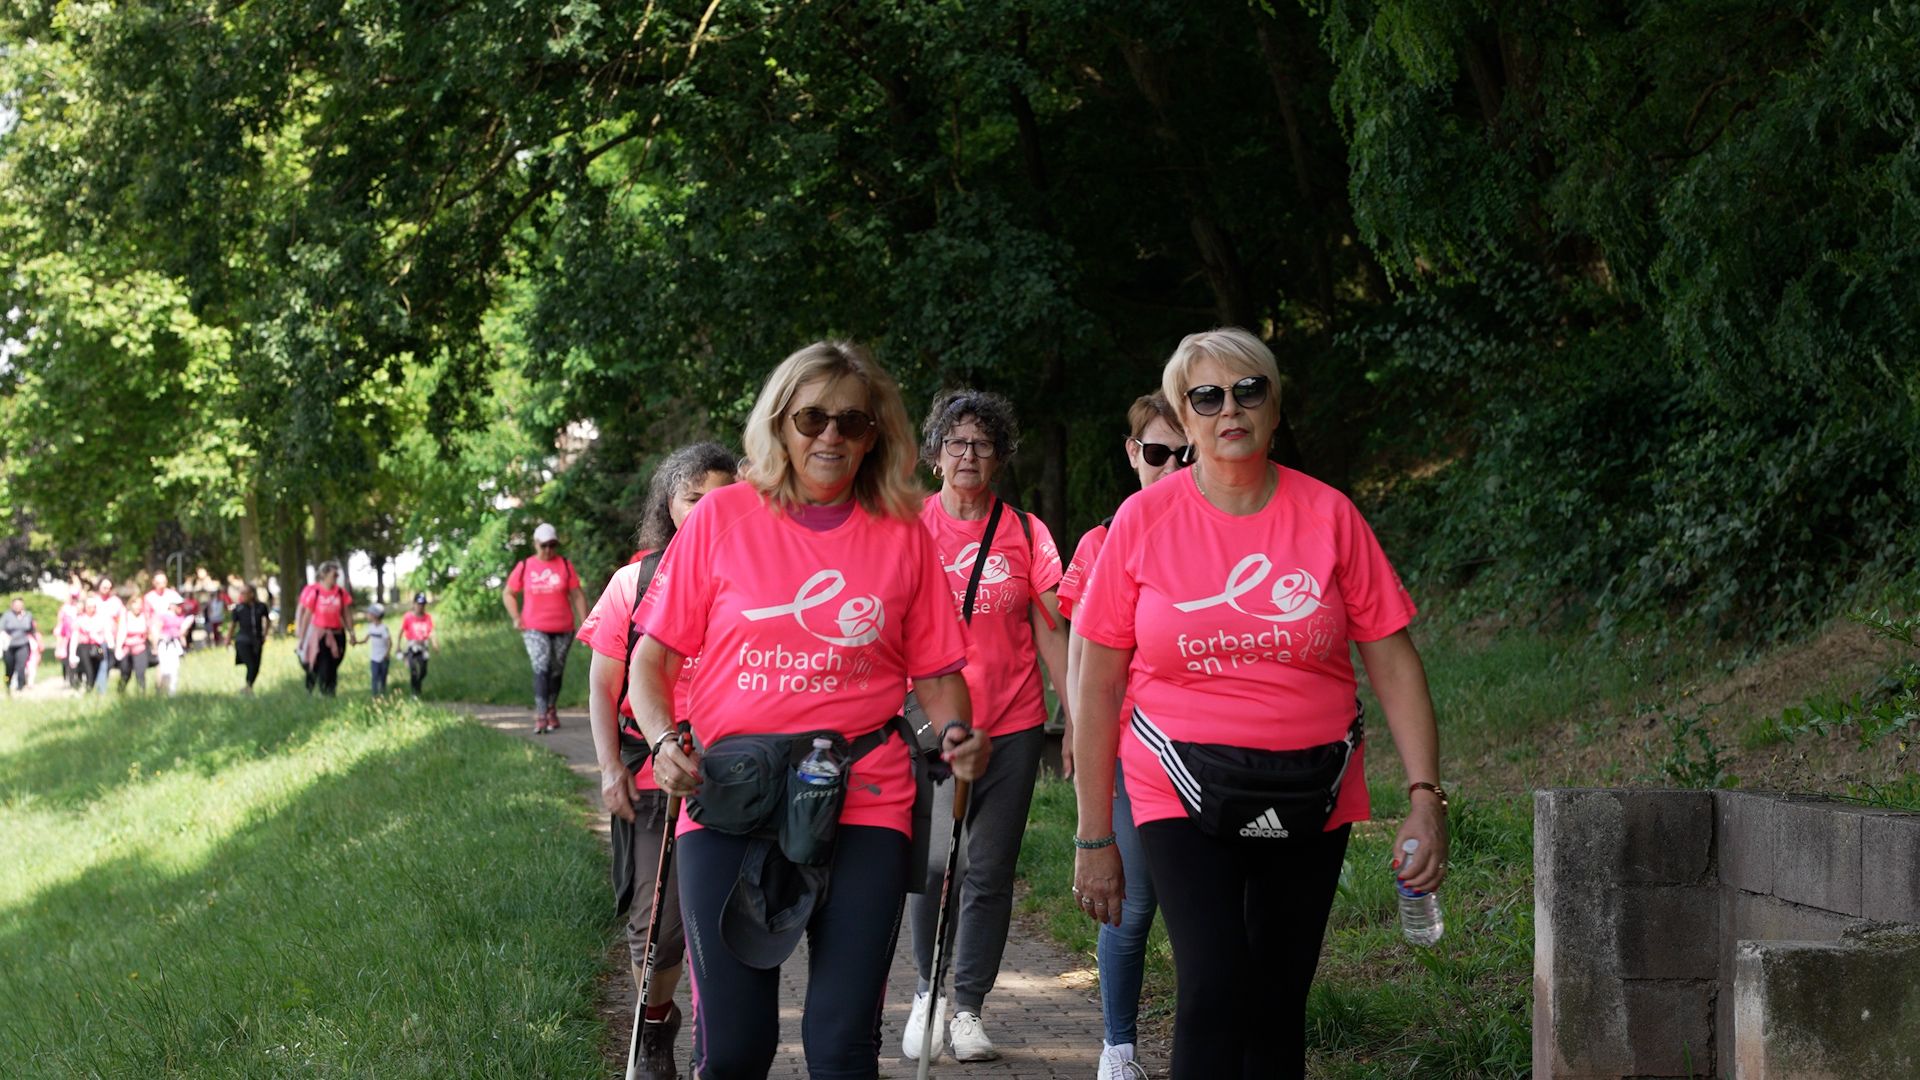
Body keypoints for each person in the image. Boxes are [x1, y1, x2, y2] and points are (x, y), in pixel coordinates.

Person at [1069, 328, 1447, 1080]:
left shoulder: (1330, 514)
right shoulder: (1142, 522)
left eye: (1249, 391)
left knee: (1278, 996)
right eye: (1207, 397)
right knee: (1213, 985)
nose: (1230, 410)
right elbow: (1099, 682)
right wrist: (1093, 835)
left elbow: (1394, 662)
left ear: (1276, 406)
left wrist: (1424, 795)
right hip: (1176, 779)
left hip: (1313, 783)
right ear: (1184, 415)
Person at [628, 340, 990, 1080]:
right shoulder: (721, 518)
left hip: (866, 794)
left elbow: (938, 674)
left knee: (841, 1048)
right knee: (735, 1050)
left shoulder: (903, 532)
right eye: (812, 418)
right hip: (729, 793)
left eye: (852, 421)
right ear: (779, 424)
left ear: (875, 434)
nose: (831, 435)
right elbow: (651, 661)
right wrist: (663, 739)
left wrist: (957, 732)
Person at [903, 390, 1071, 1064]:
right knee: (936, 862)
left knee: (990, 869)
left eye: (982, 443)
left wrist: (1076, 716)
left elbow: (1053, 631)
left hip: (1013, 722)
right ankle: (927, 992)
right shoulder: (909, 527)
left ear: (999, 456)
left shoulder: (1026, 533)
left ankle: (968, 1007)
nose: (968, 454)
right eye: (956, 442)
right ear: (936, 454)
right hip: (931, 724)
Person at [582, 440, 737, 1080]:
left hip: (739, 774)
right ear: (667, 505)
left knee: (730, 923)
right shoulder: (634, 582)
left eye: (720, 497)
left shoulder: (756, 575)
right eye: (691, 497)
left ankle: (721, 1046)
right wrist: (609, 767)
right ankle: (653, 1029)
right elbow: (602, 685)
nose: (706, 510)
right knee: (659, 929)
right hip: (653, 776)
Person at [1058, 390, 1187, 1080]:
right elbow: (1081, 654)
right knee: (1131, 907)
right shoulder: (1101, 541)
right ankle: (1119, 1049)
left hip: (1201, 752)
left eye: (1185, 454)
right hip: (1129, 752)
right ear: (1134, 452)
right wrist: (1083, 737)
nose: (1172, 467)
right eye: (1159, 452)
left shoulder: (1212, 532)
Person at [503, 523, 586, 733]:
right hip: (533, 627)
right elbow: (508, 593)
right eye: (544, 545)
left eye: (552, 545)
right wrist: (516, 617)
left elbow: (577, 594)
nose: (548, 550)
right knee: (541, 667)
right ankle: (541, 715)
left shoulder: (564, 564)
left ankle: (551, 708)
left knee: (556, 670)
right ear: (535, 544)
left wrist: (585, 621)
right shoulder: (525, 566)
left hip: (563, 627)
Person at [297, 561, 354, 697]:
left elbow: (346, 614)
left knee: (334, 663)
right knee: (323, 663)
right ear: (324, 574)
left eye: (337, 575)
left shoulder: (340, 593)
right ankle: (323, 691)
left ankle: (331, 691)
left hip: (337, 633)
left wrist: (351, 632)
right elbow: (306, 616)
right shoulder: (315, 592)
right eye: (334, 575)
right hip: (320, 635)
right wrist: (302, 638)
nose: (336, 578)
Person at [230, 583, 272, 694]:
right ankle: (248, 687)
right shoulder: (238, 609)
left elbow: (267, 620)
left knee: (256, 665)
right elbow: (233, 625)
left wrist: (265, 634)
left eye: (244, 593)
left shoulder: (261, 607)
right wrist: (228, 639)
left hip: (257, 640)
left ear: (252, 594)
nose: (242, 595)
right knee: (251, 664)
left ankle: (248, 687)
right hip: (243, 640)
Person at [400, 593, 438, 696]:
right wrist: (398, 646)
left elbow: (431, 631)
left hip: (423, 646)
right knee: (413, 670)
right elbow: (402, 630)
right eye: (419, 604)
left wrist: (435, 644)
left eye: (423, 604)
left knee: (423, 670)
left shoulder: (427, 617)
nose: (421, 606)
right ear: (414, 604)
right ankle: (414, 692)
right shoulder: (408, 617)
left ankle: (418, 685)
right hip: (412, 646)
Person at [91, 577, 124, 693]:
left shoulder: (116, 602)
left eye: (109, 588)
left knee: (110, 663)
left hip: (112, 640)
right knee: (103, 662)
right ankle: (101, 690)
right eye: (104, 587)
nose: (106, 589)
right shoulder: (93, 600)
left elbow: (121, 620)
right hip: (98, 641)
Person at [71, 595, 110, 694]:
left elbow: (106, 635)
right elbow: (74, 637)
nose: (92, 609)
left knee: (99, 667)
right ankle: (88, 689)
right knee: (89, 670)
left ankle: (97, 690)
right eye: (89, 607)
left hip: (98, 647)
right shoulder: (80, 620)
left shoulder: (101, 619)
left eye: (94, 607)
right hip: (84, 647)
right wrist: (72, 654)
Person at [113, 594, 152, 692]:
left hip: (140, 648)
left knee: (140, 673)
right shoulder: (126, 615)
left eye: (140, 604)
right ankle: (120, 691)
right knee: (125, 673)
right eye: (135, 603)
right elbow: (121, 632)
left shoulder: (144, 616)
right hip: (127, 649)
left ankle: (142, 694)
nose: (138, 606)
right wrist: (118, 648)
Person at [152, 598, 187, 696]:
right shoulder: (163, 616)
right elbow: (157, 631)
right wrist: (155, 646)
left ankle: (172, 692)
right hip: (164, 645)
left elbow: (181, 633)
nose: (180, 607)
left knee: (175, 668)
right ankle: (161, 691)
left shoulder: (180, 617)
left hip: (175, 645)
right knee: (164, 668)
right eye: (177, 605)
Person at [358, 603, 393, 696]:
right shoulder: (371, 627)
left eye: (369, 613)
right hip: (374, 658)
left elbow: (389, 642)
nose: (367, 615)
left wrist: (387, 654)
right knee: (374, 677)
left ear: (375, 615)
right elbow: (365, 640)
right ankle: (375, 696)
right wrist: (356, 642)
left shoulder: (383, 628)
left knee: (382, 678)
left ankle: (382, 694)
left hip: (384, 658)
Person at [3, 597, 35, 695]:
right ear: (12, 606)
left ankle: (20, 687)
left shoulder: (28, 615)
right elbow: (1, 628)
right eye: (16, 605)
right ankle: (7, 683)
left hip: (23, 644)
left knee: (21, 666)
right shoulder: (7, 615)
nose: (18, 607)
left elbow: (32, 629)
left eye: (20, 605)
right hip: (9, 646)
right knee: (9, 668)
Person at [56, 589, 82, 689]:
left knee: (77, 659)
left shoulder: (80, 607)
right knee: (66, 660)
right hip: (66, 638)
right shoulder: (64, 609)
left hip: (78, 638)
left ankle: (76, 679)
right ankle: (67, 679)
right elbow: (60, 624)